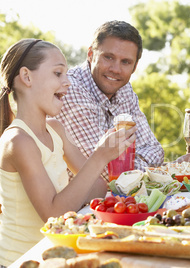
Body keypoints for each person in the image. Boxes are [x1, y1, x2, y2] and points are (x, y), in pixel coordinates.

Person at [0, 39, 136, 265]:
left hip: (54, 255)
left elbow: (97, 189)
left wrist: (110, 155)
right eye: (57, 74)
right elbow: (53, 215)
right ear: (26, 77)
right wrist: (100, 155)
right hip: (21, 261)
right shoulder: (18, 141)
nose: (68, 82)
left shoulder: (55, 129)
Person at [55, 20, 190, 182]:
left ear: (135, 66)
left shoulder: (123, 89)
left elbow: (154, 149)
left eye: (125, 62)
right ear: (91, 55)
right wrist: (165, 170)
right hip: (76, 204)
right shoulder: (70, 89)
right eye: (108, 57)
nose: (116, 69)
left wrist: (131, 165)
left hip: (116, 199)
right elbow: (103, 172)